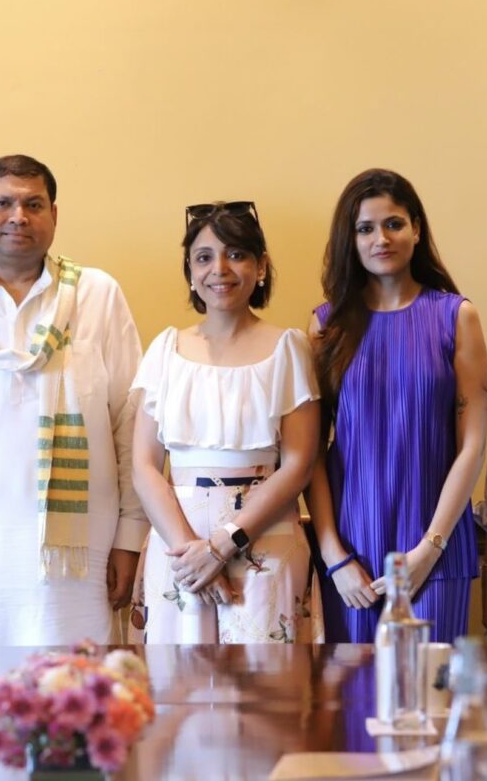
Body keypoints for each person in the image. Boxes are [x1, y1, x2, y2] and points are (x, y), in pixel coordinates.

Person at [0, 154, 147, 646]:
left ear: (54, 214)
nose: (18, 216)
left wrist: (130, 536)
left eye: (33, 204)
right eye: (2, 203)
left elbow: (131, 424)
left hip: (82, 542)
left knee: (78, 689)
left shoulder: (97, 294)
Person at [308, 168, 487, 643]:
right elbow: (309, 454)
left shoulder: (457, 316)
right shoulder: (326, 326)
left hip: (436, 546)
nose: (380, 238)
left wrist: (429, 550)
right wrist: (334, 557)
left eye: (393, 224)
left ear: (416, 229)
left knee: (426, 707)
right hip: (352, 558)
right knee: (352, 710)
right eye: (365, 228)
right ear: (350, 239)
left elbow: (472, 445)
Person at [131, 201, 323, 643]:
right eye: (203, 257)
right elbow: (144, 466)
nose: (220, 268)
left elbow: (298, 464)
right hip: (178, 547)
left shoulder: (288, 348)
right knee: (179, 695)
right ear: (190, 272)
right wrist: (191, 555)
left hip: (265, 539)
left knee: (265, 696)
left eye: (236, 253)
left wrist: (222, 547)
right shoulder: (165, 349)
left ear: (261, 266)